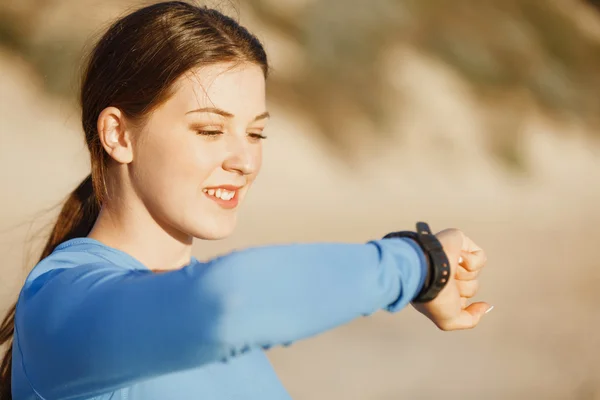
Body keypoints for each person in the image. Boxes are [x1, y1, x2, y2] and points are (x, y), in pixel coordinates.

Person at [0, 2, 492, 399]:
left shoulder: (208, 324)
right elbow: (229, 301)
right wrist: (417, 264)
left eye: (255, 133)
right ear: (118, 134)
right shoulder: (61, 301)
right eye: (210, 130)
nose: (245, 161)